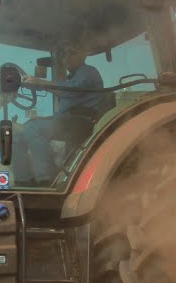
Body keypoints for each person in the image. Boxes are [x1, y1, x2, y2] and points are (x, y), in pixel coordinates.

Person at [10, 48, 108, 186]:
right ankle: (23, 180)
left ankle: (46, 180)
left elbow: (70, 91)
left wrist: (41, 83)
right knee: (19, 132)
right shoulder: (72, 76)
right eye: (64, 53)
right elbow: (65, 90)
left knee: (33, 128)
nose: (66, 58)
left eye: (71, 52)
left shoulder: (87, 71)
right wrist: (40, 85)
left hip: (80, 121)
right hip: (68, 119)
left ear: (83, 54)